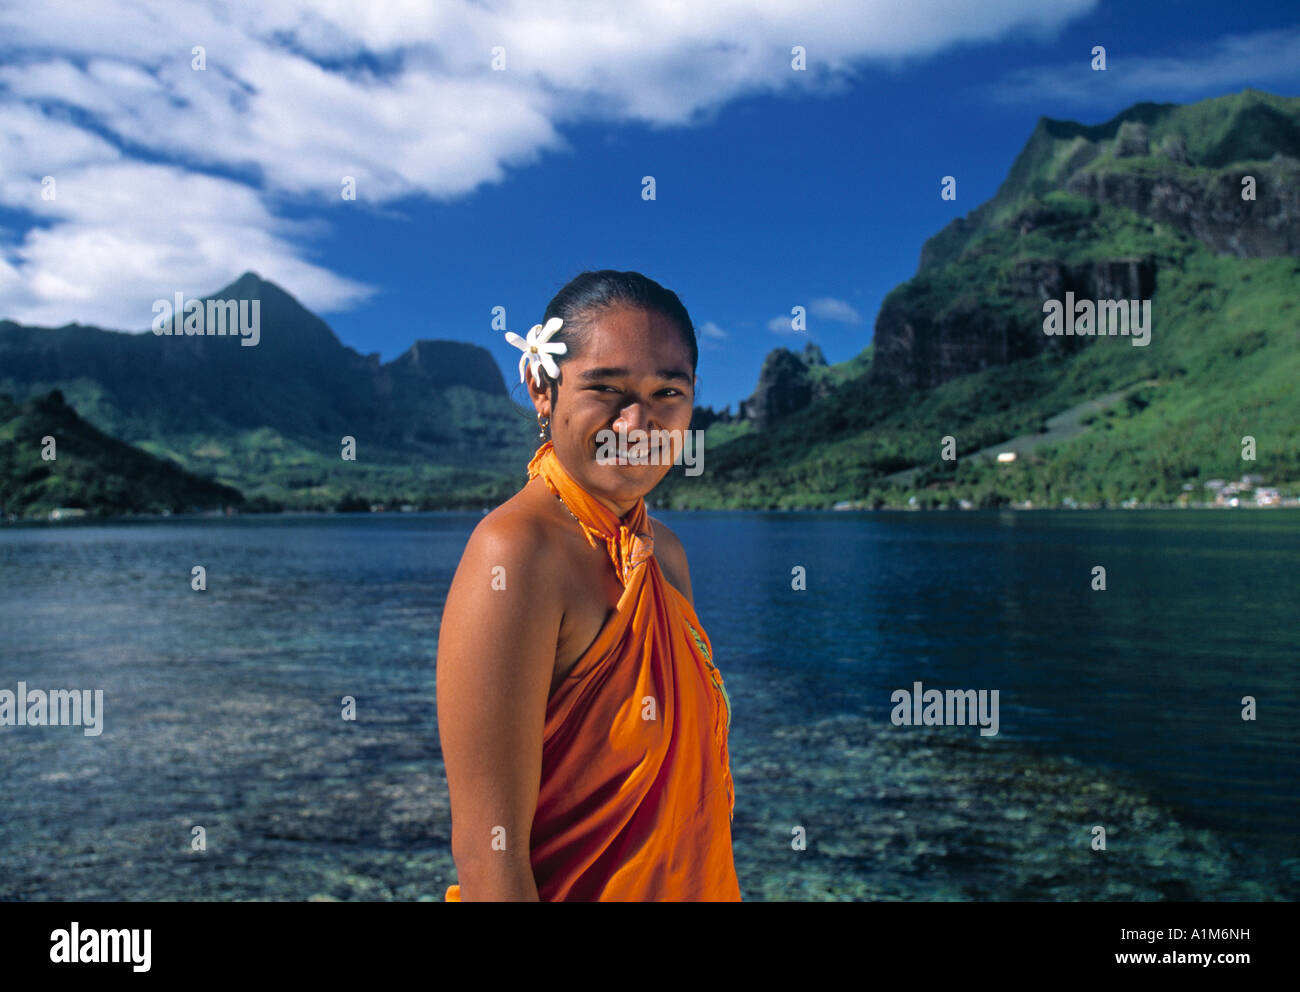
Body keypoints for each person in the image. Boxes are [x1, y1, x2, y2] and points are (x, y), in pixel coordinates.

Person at [437, 270, 740, 901]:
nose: (637, 423)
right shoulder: (517, 554)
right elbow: (488, 855)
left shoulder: (666, 558)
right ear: (541, 389)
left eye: (668, 393)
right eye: (606, 389)